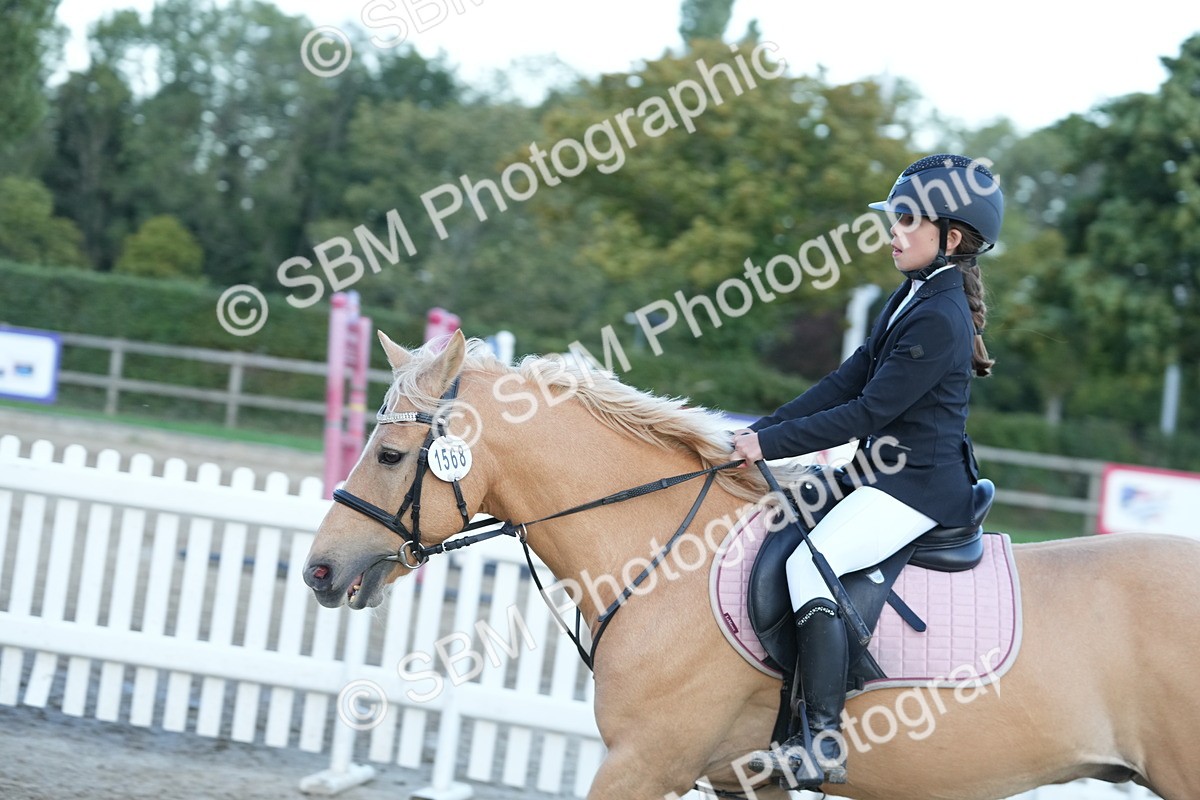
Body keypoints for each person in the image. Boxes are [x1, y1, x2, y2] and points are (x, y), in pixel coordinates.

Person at [731, 154, 1004, 787]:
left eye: (907, 219)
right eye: (894, 217)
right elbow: (844, 380)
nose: (894, 230)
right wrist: (757, 432)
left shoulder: (940, 316)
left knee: (811, 567)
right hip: (880, 473)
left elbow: (866, 412)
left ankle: (821, 737)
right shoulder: (912, 293)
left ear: (952, 238)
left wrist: (767, 447)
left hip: (917, 487)